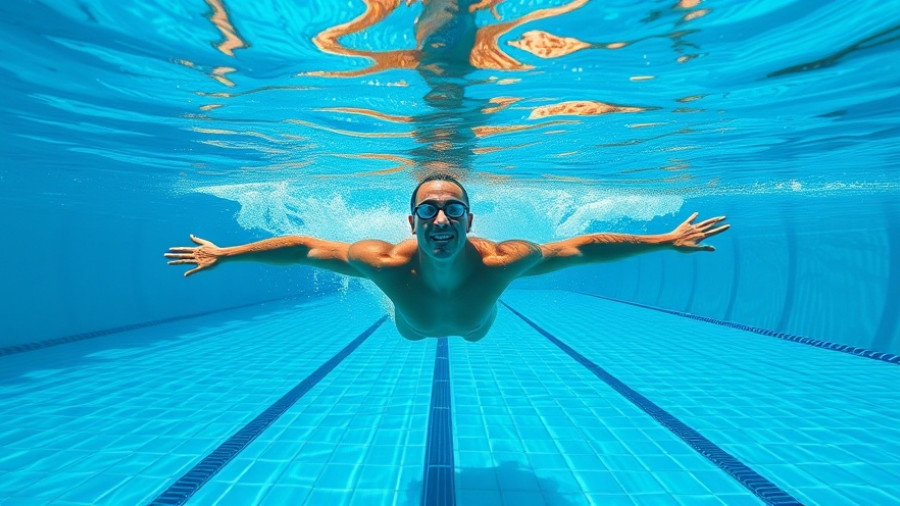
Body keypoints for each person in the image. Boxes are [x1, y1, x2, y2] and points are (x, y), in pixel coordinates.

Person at [165, 174, 729, 341]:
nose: (441, 220)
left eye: (453, 210)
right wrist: (230, 253)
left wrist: (660, 240)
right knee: (404, 323)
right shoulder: (382, 260)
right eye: (429, 211)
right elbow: (307, 248)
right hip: (408, 325)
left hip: (477, 325)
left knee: (477, 327)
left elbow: (578, 249)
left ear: (469, 220)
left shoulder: (503, 261)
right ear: (411, 221)